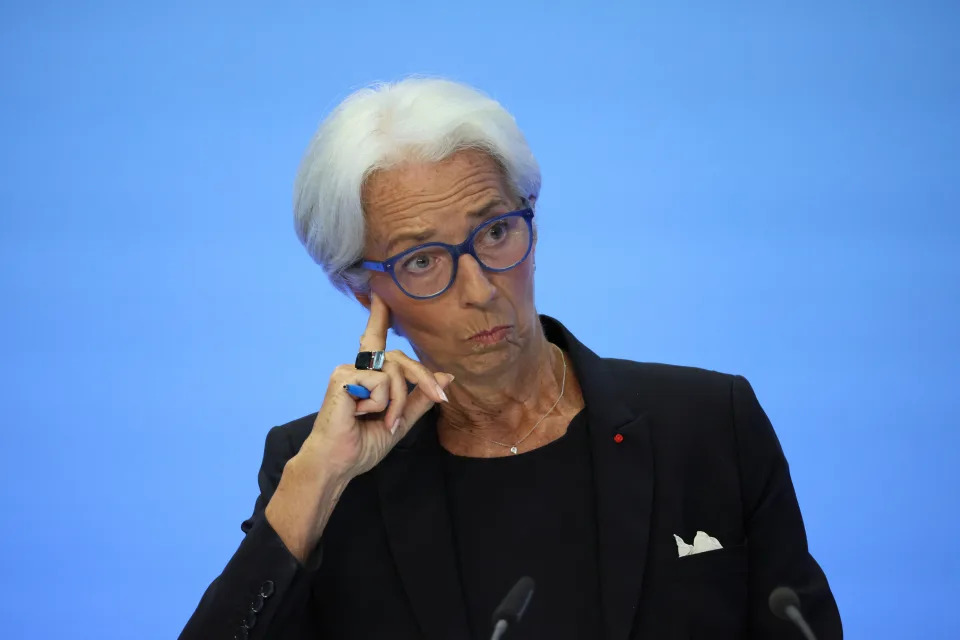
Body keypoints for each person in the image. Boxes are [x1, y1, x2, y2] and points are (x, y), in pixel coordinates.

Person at [179, 78, 842, 640]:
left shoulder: (707, 426)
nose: (480, 288)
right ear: (362, 290)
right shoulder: (323, 477)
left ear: (532, 215)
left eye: (495, 231)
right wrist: (315, 483)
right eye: (422, 261)